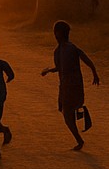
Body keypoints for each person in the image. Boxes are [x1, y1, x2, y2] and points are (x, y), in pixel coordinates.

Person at [41, 20, 100, 151]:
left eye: (55, 32)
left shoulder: (70, 48)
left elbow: (85, 59)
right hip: (65, 85)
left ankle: (79, 139)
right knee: (65, 110)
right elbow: (59, 67)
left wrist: (94, 72)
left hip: (72, 84)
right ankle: (79, 112)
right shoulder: (59, 50)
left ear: (58, 33)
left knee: (67, 113)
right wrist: (49, 70)